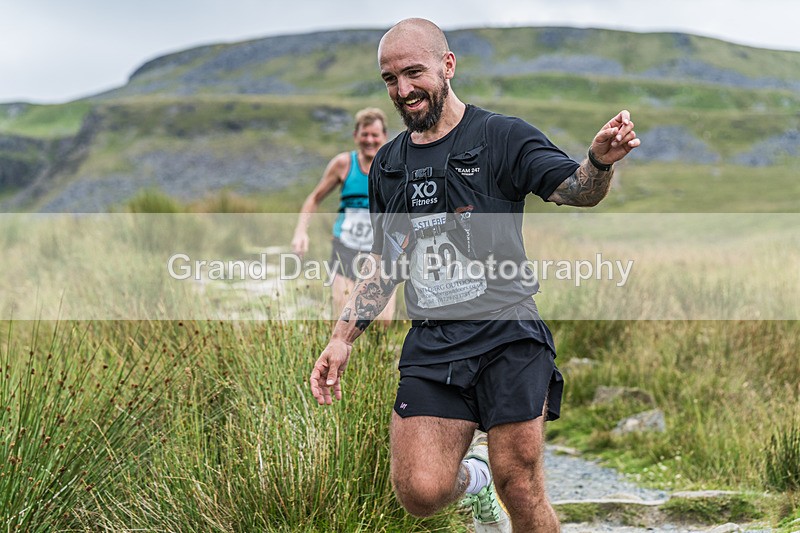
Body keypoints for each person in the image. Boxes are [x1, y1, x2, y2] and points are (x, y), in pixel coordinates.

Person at [309, 18, 640, 533]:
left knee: (521, 485)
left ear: (447, 65)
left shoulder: (502, 136)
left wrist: (599, 162)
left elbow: (577, 190)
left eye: (413, 73)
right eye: (390, 79)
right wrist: (341, 337)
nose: (403, 90)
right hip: (435, 340)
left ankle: (498, 479)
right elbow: (386, 260)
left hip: (508, 332)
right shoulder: (389, 164)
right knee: (420, 492)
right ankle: (475, 478)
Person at [291, 107, 397, 325]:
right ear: (355, 136)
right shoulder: (344, 164)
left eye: (375, 135)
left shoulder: (393, 167)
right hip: (345, 248)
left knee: (382, 323)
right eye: (364, 134)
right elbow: (314, 198)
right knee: (344, 319)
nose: (369, 140)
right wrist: (301, 232)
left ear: (384, 136)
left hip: (381, 252)